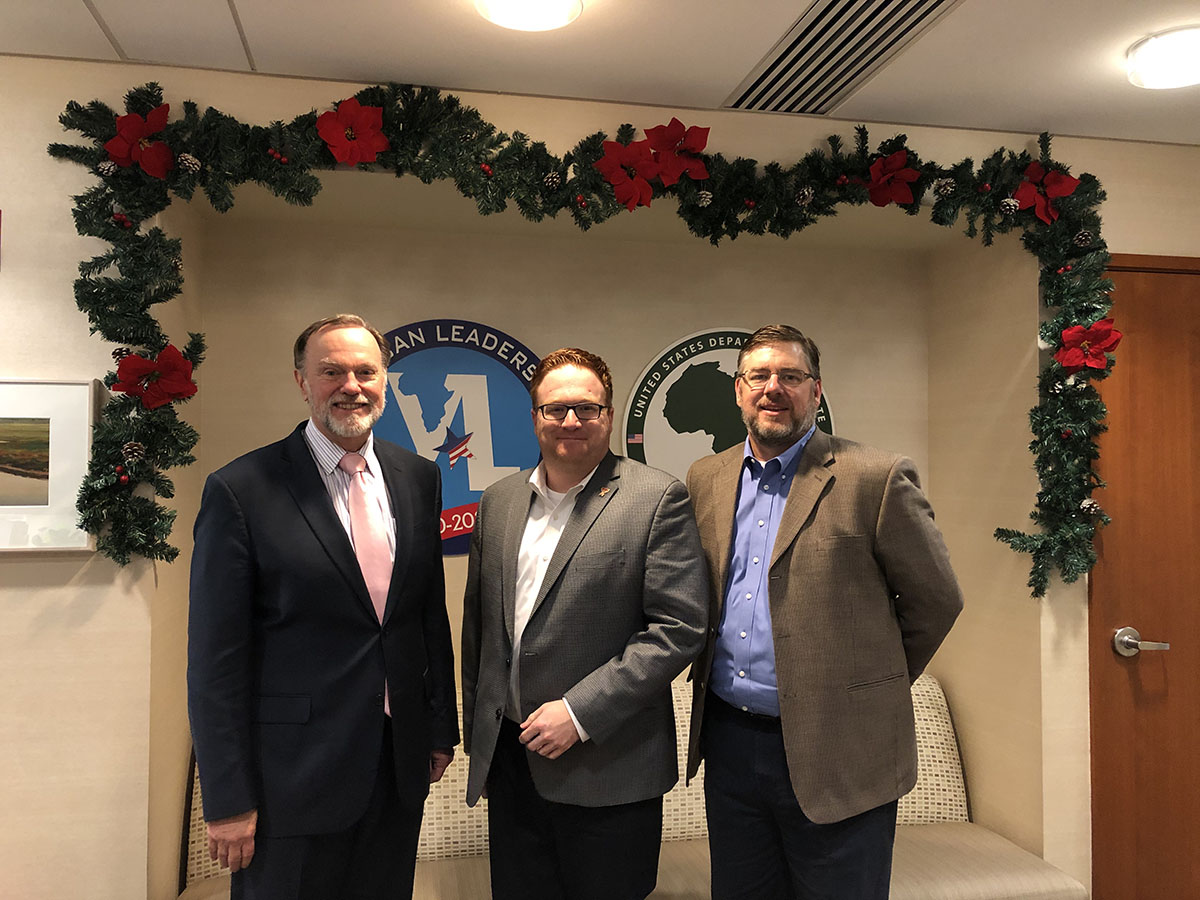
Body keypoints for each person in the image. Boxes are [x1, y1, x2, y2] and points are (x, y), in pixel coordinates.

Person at [685, 324, 963, 900]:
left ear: (816, 391)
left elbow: (936, 599)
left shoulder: (876, 477)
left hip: (840, 747)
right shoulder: (706, 478)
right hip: (732, 744)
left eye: (791, 376)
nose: (773, 388)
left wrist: (861, 685)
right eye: (759, 376)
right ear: (738, 391)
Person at [187, 314, 458, 900]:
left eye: (366, 371)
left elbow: (425, 614)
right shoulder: (241, 489)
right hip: (289, 777)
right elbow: (215, 661)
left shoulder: (418, 477)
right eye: (331, 371)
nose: (351, 386)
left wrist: (439, 726)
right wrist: (228, 799)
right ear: (301, 381)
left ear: (386, 380)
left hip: (395, 765)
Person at [461, 347, 708, 900]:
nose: (570, 421)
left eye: (586, 408)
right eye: (555, 409)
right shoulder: (499, 501)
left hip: (608, 767)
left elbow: (678, 627)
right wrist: (475, 732)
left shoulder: (655, 497)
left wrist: (579, 712)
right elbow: (480, 633)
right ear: (535, 418)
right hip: (512, 764)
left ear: (609, 415)